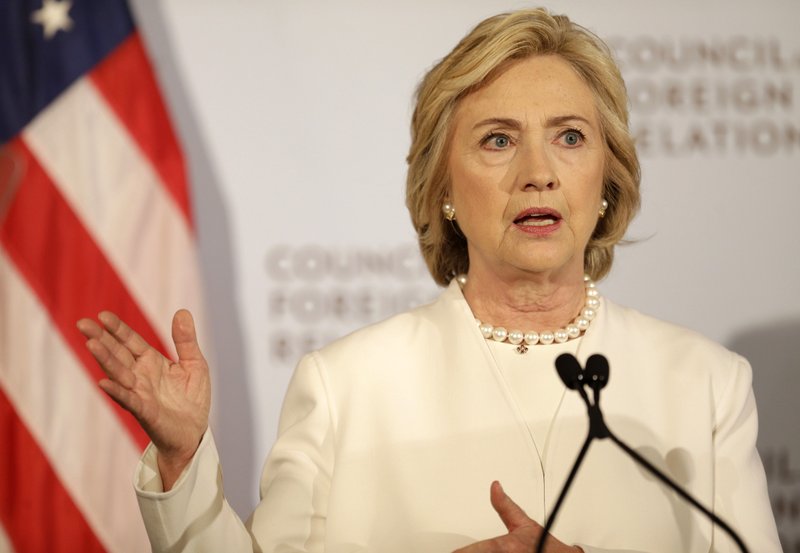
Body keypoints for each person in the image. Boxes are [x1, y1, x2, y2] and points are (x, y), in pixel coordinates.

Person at [77, 8, 781, 553]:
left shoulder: (706, 386)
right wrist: (182, 458)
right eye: (497, 139)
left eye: (570, 136)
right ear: (443, 187)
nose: (539, 171)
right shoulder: (347, 385)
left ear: (607, 177)